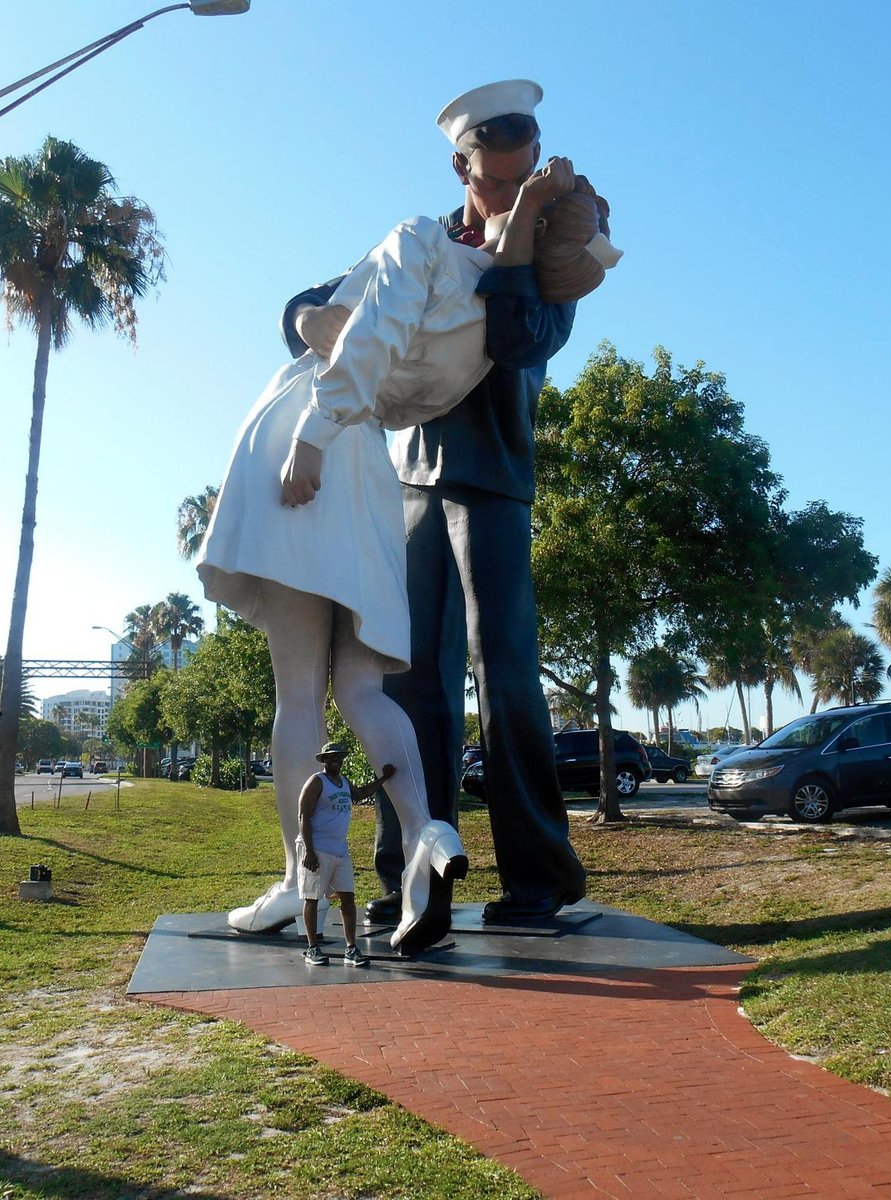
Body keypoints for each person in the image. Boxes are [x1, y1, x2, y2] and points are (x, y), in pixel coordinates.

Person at [198, 119, 619, 947]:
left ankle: (537, 877)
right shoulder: (423, 243)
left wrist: (529, 226)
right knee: (406, 679)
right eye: (494, 180)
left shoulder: (551, 259)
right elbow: (308, 312)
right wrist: (335, 327)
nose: (505, 192)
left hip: (495, 478)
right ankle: (406, 877)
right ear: (462, 167)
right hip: (414, 481)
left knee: (506, 678)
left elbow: (516, 335)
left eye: (520, 178)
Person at [298, 742, 390, 968]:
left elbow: (359, 794)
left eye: (339, 757)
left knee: (348, 898)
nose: (336, 760)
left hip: (340, 850)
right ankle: (313, 947)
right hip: (317, 848)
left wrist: (383, 779)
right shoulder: (317, 782)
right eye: (331, 758)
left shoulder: (343, 782)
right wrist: (309, 850)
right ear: (324, 760)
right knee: (312, 898)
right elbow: (303, 816)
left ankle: (351, 948)